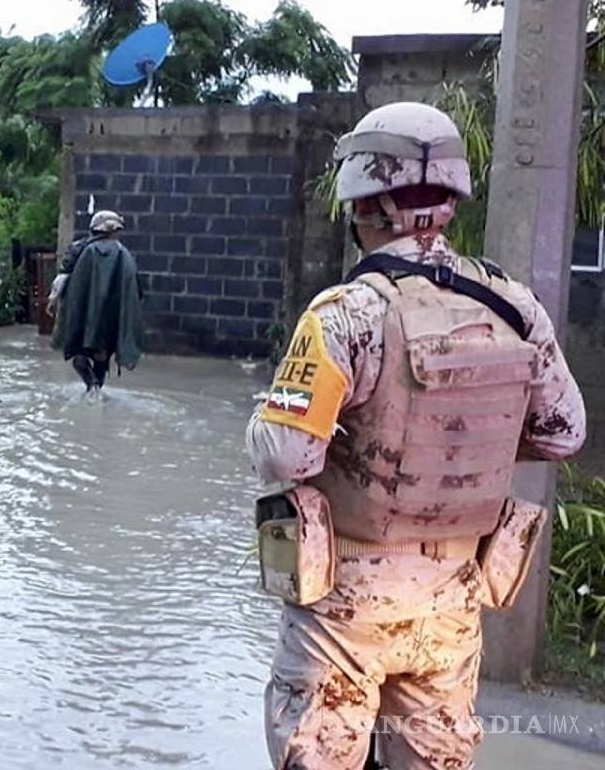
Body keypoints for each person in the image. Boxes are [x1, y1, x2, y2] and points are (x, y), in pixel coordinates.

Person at [245, 101, 586, 770]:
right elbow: (564, 432)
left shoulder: (346, 313)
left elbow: (288, 452)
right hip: (452, 598)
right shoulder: (514, 306)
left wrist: (270, 417)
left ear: (361, 203)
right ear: (454, 199)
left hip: (345, 602)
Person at [47, 210, 143, 397]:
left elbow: (62, 278)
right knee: (100, 356)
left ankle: (92, 389)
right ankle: (95, 390)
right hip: (106, 319)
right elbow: (136, 288)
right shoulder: (123, 254)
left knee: (80, 355)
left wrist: (53, 299)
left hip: (82, 316)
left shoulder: (80, 248)